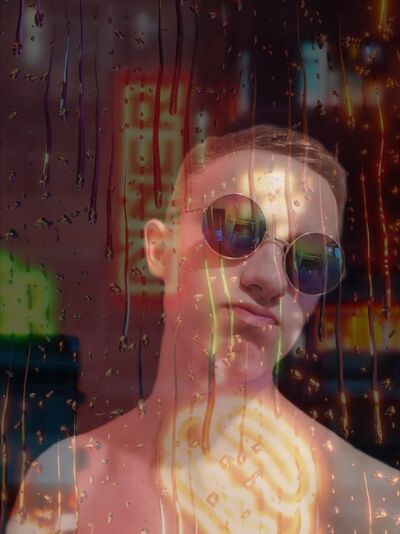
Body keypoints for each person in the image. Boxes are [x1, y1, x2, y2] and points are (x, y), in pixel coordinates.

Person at [6, 125, 400, 533]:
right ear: (160, 249)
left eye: (312, 259)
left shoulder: (373, 505)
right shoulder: (69, 482)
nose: (270, 278)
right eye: (235, 228)